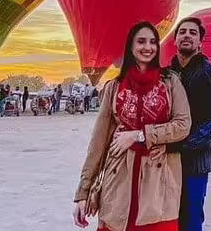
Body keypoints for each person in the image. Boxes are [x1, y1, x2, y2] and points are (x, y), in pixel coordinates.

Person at [73, 22, 191, 231]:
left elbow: (183, 125)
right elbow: (98, 142)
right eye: (141, 41)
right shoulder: (114, 87)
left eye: (153, 42)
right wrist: (83, 193)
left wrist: (140, 135)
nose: (148, 47)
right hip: (118, 179)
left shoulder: (171, 82)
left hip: (158, 181)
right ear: (130, 47)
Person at [166, 17, 211, 231]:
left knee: (191, 220)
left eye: (193, 33)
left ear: (200, 42)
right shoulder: (165, 75)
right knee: (164, 219)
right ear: (174, 40)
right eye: (182, 31)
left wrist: (184, 143)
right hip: (164, 163)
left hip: (195, 164)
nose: (187, 35)